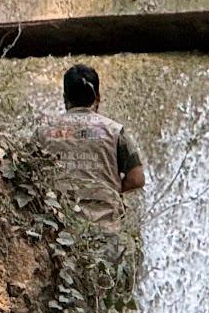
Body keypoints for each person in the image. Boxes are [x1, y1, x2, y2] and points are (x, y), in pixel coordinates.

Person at [38, 64, 145, 229]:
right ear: (98, 98)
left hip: (56, 226)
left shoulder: (43, 132)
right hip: (104, 227)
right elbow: (137, 179)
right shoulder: (115, 131)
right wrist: (108, 190)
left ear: (65, 98)